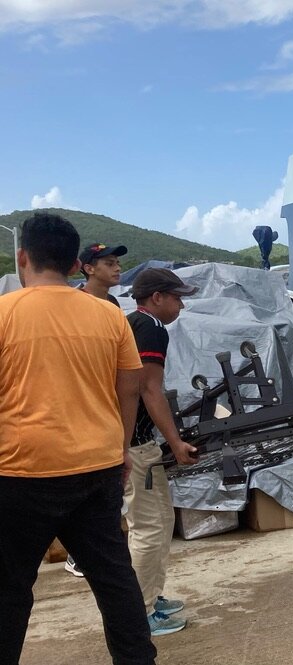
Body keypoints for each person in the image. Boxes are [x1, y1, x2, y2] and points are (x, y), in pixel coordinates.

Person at [0, 212, 156, 664]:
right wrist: (121, 448)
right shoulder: (109, 316)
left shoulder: (5, 313)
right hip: (96, 466)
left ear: (23, 256)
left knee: (10, 589)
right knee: (114, 579)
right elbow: (130, 389)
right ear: (75, 264)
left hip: (18, 472)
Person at [124, 268, 201, 637]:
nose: (181, 304)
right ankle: (139, 616)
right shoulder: (151, 327)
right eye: (177, 297)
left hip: (139, 443)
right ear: (157, 297)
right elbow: (148, 389)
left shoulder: (133, 323)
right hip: (135, 446)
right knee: (149, 529)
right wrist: (174, 442)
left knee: (161, 522)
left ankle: (152, 597)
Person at [64, 241, 130, 578]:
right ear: (87, 268)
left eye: (118, 262)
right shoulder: (76, 305)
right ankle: (77, 555)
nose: (117, 268)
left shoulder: (114, 304)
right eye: (108, 262)